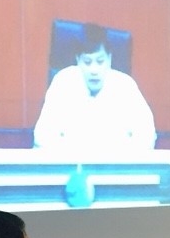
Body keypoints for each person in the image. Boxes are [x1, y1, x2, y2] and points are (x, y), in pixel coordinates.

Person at [33, 23, 157, 155]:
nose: (94, 70)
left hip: (115, 165)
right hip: (72, 164)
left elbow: (146, 136)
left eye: (100, 61)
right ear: (78, 60)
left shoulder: (125, 86)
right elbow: (42, 137)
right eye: (87, 62)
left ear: (109, 59)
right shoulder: (63, 82)